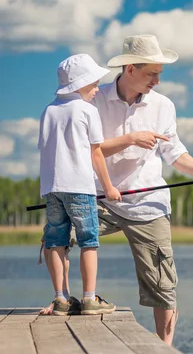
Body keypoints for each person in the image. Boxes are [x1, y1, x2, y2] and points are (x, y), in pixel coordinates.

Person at [42, 34, 193, 345]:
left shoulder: (163, 106)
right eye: (152, 73)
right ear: (130, 69)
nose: (158, 81)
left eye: (160, 74)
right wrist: (131, 138)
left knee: (163, 284)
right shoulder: (93, 99)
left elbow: (176, 154)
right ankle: (61, 299)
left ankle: (164, 348)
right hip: (99, 197)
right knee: (56, 237)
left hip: (148, 203)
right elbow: (84, 150)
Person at [38, 53, 122, 316]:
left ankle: (60, 299)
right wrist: (109, 187)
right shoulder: (87, 110)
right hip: (80, 187)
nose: (97, 89)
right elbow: (95, 153)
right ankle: (89, 299)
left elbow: (44, 148)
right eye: (94, 84)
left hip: (52, 188)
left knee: (55, 241)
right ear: (80, 84)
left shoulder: (49, 110)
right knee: (89, 241)